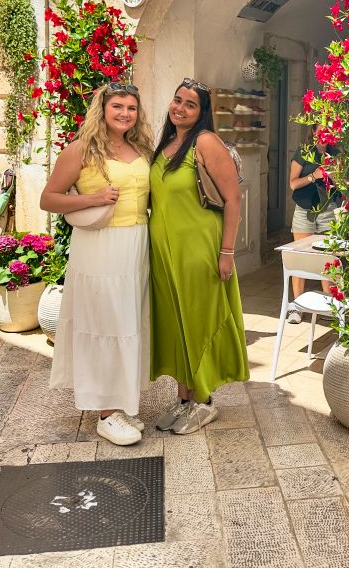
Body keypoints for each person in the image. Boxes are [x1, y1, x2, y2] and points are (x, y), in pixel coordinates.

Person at [40, 83, 154, 446]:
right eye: (117, 106)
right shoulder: (81, 150)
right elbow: (48, 199)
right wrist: (93, 198)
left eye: (131, 108)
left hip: (136, 245)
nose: (125, 113)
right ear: (102, 109)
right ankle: (105, 414)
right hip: (100, 246)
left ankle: (118, 403)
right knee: (104, 322)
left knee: (126, 322)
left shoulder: (141, 149)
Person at [149, 78, 250, 434]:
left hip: (199, 249)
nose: (180, 108)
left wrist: (227, 252)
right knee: (176, 322)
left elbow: (233, 199)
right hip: (165, 253)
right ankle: (184, 399)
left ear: (202, 112)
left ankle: (204, 401)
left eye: (190, 104)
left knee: (198, 321)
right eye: (177, 100)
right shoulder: (166, 144)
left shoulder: (205, 142)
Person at [285, 129, 340, 323]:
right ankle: (297, 307)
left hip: (328, 208)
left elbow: (342, 185)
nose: (325, 132)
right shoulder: (303, 152)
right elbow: (293, 184)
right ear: (314, 131)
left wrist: (335, 177)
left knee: (328, 259)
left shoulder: (335, 153)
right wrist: (314, 176)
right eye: (321, 128)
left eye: (329, 128)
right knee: (300, 257)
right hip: (304, 209)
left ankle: (330, 307)